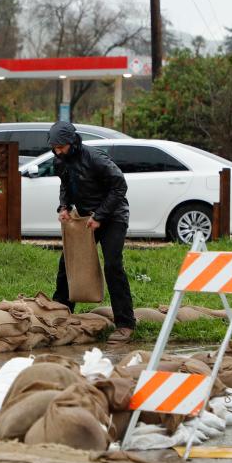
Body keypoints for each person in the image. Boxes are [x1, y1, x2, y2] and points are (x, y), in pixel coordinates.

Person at [48, 121, 136, 343]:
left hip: (113, 216)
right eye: (55, 147)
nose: (58, 151)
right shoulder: (60, 160)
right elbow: (65, 186)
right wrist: (64, 206)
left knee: (113, 265)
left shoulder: (95, 158)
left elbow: (120, 186)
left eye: (61, 147)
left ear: (73, 142)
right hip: (87, 218)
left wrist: (100, 215)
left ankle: (125, 324)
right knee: (68, 262)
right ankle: (61, 312)